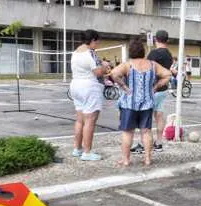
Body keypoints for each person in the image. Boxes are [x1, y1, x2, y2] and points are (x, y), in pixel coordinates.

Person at [110, 38, 170, 166]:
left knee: (128, 132)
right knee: (146, 131)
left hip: (129, 104)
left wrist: (124, 87)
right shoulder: (153, 64)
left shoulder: (128, 64)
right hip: (147, 103)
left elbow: (114, 73)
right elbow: (167, 74)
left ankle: (126, 160)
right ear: (142, 51)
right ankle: (147, 159)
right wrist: (155, 87)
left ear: (130, 52)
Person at [69, 29, 109, 161]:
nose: (97, 45)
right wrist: (105, 66)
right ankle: (87, 152)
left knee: (80, 120)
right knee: (90, 120)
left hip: (75, 85)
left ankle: (77, 148)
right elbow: (98, 72)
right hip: (89, 87)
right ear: (92, 40)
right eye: (96, 42)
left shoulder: (75, 52)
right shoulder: (90, 53)